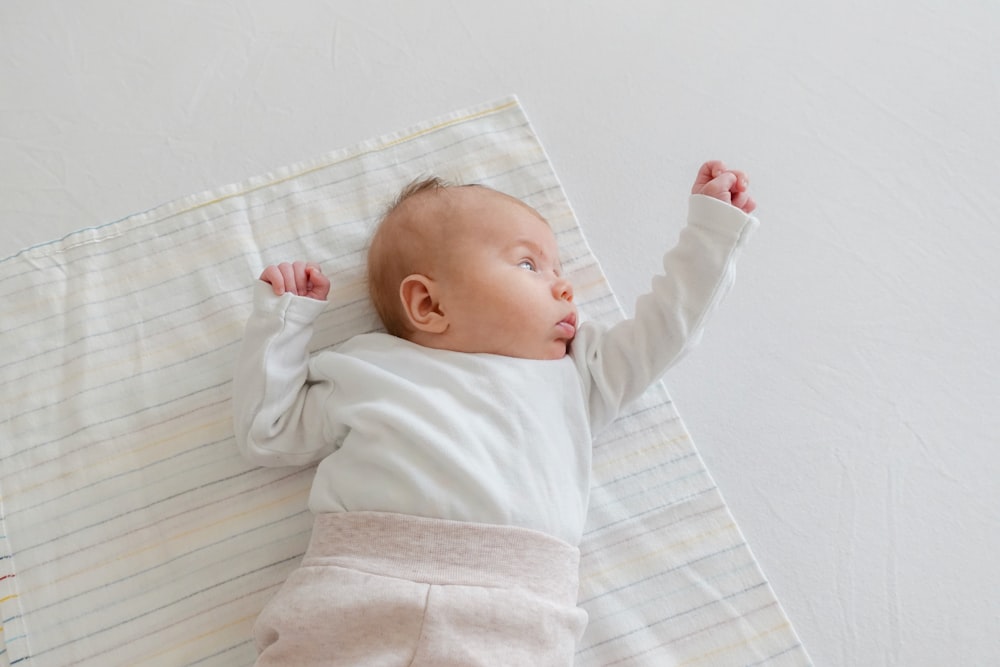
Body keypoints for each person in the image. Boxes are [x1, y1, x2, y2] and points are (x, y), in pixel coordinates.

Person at [232, 161, 758, 666]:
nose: (564, 286)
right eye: (529, 264)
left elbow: (667, 328)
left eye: (557, 268)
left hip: (516, 612)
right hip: (358, 588)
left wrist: (710, 237)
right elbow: (269, 431)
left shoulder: (580, 375)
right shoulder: (364, 366)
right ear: (428, 305)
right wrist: (284, 324)